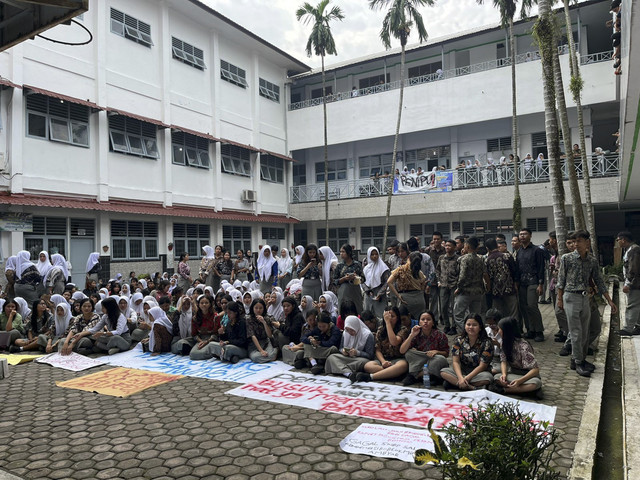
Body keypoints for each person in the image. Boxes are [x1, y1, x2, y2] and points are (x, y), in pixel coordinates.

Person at [557, 230, 617, 377]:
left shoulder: (592, 260)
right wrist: (559, 299)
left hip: (585, 298)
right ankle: (578, 362)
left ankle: (579, 359)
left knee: (584, 332)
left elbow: (599, 281)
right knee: (576, 333)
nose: (576, 244)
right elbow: (561, 280)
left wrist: (609, 300)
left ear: (587, 242)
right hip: (570, 297)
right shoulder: (567, 258)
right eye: (574, 241)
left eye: (579, 241)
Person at [490, 317, 543, 398]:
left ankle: (506, 390)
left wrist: (520, 381)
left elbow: (535, 370)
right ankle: (522, 391)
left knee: (535, 383)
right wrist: (504, 375)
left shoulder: (523, 346)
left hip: (527, 375)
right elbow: (503, 361)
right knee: (496, 378)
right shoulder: (504, 343)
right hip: (513, 373)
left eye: (500, 329)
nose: (498, 331)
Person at [354, 306, 410, 382]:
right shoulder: (380, 330)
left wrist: (388, 323)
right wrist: (383, 362)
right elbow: (378, 350)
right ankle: (392, 373)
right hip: (384, 360)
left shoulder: (403, 329)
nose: (389, 319)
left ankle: (371, 377)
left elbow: (394, 342)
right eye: (387, 317)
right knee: (368, 366)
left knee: (403, 366)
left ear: (397, 318)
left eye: (392, 316)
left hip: (398, 360)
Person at [440, 313, 494, 390]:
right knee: (443, 372)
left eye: (474, 325)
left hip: (478, 373)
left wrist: (466, 379)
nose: (471, 327)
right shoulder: (458, 340)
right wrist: (460, 377)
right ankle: (471, 387)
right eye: (468, 324)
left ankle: (456, 383)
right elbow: (456, 362)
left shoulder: (487, 343)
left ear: (480, 327)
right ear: (465, 326)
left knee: (488, 378)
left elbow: (482, 366)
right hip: (462, 371)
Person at [399, 311, 449, 386]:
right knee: (409, 353)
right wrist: (411, 335)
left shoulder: (440, 335)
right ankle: (428, 376)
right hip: (420, 359)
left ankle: (416, 376)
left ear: (433, 323)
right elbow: (402, 350)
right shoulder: (416, 333)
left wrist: (436, 352)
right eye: (423, 319)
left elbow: (446, 353)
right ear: (419, 322)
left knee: (440, 359)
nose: (425, 322)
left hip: (433, 360)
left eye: (428, 319)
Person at [516, 228, 546, 341]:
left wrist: (541, 284)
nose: (522, 236)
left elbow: (541, 268)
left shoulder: (537, 250)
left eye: (525, 234)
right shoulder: (519, 251)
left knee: (532, 306)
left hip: (533, 282)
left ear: (530, 236)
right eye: (521, 234)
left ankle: (539, 331)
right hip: (522, 283)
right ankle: (530, 330)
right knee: (523, 307)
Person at [453, 236, 488, 333]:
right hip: (478, 291)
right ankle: (476, 333)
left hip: (465, 291)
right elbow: (485, 274)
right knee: (475, 316)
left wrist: (459, 288)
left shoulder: (464, 259)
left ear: (467, 246)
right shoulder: (481, 259)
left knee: (458, 315)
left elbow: (462, 276)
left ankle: (465, 332)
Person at [324, 315, 375, 379]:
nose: (350, 332)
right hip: (347, 357)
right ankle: (348, 373)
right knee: (331, 357)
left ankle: (342, 370)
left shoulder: (367, 335)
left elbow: (370, 355)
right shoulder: (346, 333)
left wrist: (357, 352)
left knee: (364, 363)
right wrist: (343, 351)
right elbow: (340, 348)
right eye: (347, 330)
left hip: (359, 359)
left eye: (352, 330)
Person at [484, 237, 518, 319]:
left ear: (487, 248)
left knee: (498, 312)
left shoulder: (487, 260)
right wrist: (516, 283)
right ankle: (514, 329)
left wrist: (489, 288)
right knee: (513, 311)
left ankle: (500, 329)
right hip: (509, 288)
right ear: (496, 245)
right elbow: (514, 271)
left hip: (496, 291)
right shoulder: (507, 256)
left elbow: (488, 276)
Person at [387, 251, 426, 320]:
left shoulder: (401, 269)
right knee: (420, 321)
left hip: (405, 300)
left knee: (404, 322)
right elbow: (423, 286)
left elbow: (389, 282)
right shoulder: (419, 272)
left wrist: (398, 295)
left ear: (408, 258)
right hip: (420, 299)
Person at [618, 231, 640, 336]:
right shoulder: (630, 249)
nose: (618, 242)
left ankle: (628, 328)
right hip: (636, 283)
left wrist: (628, 283)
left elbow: (633, 269)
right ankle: (638, 326)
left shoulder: (634, 250)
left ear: (623, 240)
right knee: (637, 304)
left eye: (618, 240)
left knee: (632, 305)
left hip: (635, 284)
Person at [436, 239, 459, 335]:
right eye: (446, 246)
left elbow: (460, 272)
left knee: (454, 307)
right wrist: (438, 281)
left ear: (454, 247)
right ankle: (446, 325)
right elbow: (437, 270)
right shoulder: (441, 258)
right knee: (443, 307)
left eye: (449, 246)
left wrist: (458, 283)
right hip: (444, 285)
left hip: (454, 285)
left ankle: (454, 326)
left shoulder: (458, 259)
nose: (447, 247)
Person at [334, 244, 364, 315]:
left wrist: (356, 277)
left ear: (349, 252)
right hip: (343, 289)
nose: (341, 254)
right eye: (340, 252)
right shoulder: (339, 266)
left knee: (357, 308)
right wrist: (344, 279)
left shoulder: (357, 264)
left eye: (343, 252)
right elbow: (335, 281)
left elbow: (363, 279)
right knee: (343, 309)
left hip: (354, 289)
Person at [246, 298, 278, 363]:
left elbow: (269, 335)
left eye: (260, 308)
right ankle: (270, 357)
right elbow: (252, 335)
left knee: (272, 354)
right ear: (253, 308)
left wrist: (264, 322)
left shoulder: (267, 317)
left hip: (265, 341)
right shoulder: (248, 318)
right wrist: (261, 351)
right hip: (254, 344)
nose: (258, 310)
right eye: (256, 308)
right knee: (255, 357)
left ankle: (273, 353)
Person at [362, 246, 390, 321]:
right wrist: (367, 290)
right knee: (367, 316)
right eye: (372, 254)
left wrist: (380, 293)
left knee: (381, 316)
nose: (374, 256)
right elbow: (362, 281)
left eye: (376, 254)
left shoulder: (383, 267)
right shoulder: (366, 268)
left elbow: (387, 281)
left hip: (380, 295)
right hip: (368, 294)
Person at [188, 295, 219, 360]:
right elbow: (194, 334)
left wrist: (207, 342)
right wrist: (201, 341)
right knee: (193, 354)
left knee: (202, 353)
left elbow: (216, 333)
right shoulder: (195, 318)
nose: (204, 305)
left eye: (206, 303)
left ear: (210, 304)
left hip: (212, 339)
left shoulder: (215, 317)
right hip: (200, 339)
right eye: (202, 303)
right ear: (198, 304)